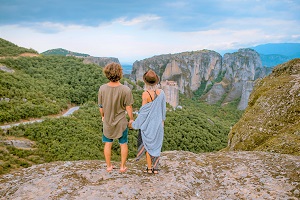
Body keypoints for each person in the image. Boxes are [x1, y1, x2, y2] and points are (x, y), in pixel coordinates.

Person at [98, 62, 134, 173]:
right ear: (120, 73)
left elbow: (101, 107)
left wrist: (103, 116)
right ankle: (122, 167)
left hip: (108, 121)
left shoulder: (102, 89)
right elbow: (128, 107)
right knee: (123, 144)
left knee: (108, 144)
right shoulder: (126, 90)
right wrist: (131, 119)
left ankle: (109, 166)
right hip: (121, 122)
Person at [129, 69, 166, 174]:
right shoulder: (162, 93)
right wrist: (162, 121)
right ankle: (156, 168)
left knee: (147, 146)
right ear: (156, 81)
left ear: (145, 82)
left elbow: (143, 113)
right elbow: (163, 110)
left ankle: (149, 168)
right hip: (158, 125)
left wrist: (134, 124)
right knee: (156, 146)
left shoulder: (145, 94)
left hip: (148, 126)